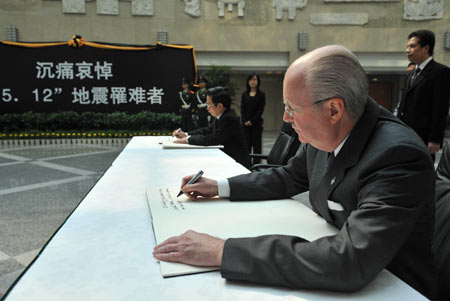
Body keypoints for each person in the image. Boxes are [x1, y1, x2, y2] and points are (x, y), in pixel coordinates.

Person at [154, 45, 437, 299]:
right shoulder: (330, 131)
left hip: (395, 287)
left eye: (291, 108)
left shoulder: (396, 156)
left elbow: (350, 260)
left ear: (334, 110)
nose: (287, 119)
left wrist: (222, 251)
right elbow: (289, 176)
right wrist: (219, 186)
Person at [396, 29, 450, 162]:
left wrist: (435, 139)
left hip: (424, 138)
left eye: (412, 46)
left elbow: (440, 108)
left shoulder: (440, 72)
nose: (408, 50)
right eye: (407, 46)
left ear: (426, 48)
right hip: (405, 135)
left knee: (421, 172)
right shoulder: (410, 74)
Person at [172, 86, 251, 169]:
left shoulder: (229, 119)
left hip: (238, 165)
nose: (207, 108)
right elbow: (208, 130)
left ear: (220, 106)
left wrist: (188, 139)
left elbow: (211, 139)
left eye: (209, 105)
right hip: (227, 159)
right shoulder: (221, 115)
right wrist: (186, 134)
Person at [241, 73, 265, 163]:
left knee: (256, 146)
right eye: (251, 80)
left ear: (258, 82)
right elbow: (242, 109)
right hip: (245, 125)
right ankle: (247, 164)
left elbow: (260, 110)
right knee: (246, 145)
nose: (252, 82)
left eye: (254, 79)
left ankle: (257, 166)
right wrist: (244, 121)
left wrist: (251, 121)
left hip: (256, 124)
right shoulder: (244, 94)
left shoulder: (261, 95)